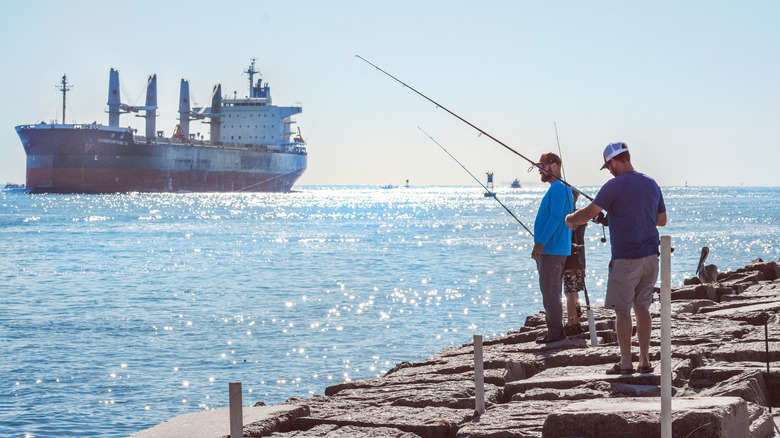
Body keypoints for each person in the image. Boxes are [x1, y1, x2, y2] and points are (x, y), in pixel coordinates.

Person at [565, 142, 666, 374]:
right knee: (643, 308)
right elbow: (661, 221)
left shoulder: (614, 185)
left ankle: (625, 363)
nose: (608, 170)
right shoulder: (651, 183)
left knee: (622, 310)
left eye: (608, 166)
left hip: (626, 259)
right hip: (651, 258)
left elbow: (587, 214)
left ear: (613, 162)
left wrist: (570, 219)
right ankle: (645, 361)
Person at [531, 152, 574, 343]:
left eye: (543, 166)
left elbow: (556, 217)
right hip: (554, 249)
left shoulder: (558, 188)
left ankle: (555, 333)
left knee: (550, 291)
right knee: (551, 291)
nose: (540, 170)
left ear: (554, 166)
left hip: (552, 250)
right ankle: (555, 330)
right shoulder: (560, 188)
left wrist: (540, 243)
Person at [563, 190, 587, 336]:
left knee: (570, 293)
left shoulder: (567, 218)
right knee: (575, 291)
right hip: (580, 260)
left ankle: (572, 323)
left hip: (569, 260)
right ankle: (576, 319)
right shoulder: (582, 215)